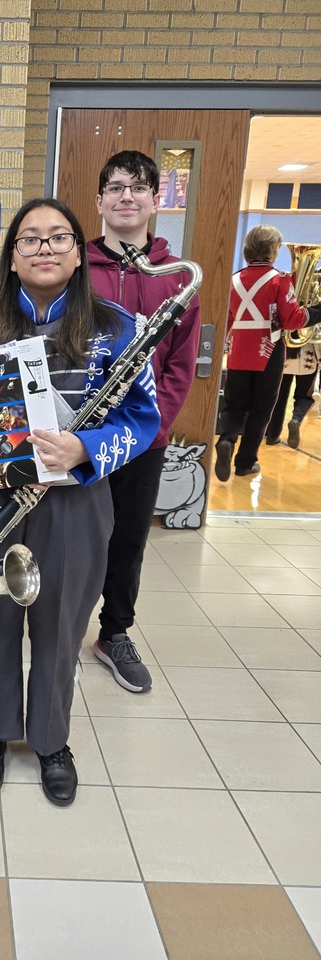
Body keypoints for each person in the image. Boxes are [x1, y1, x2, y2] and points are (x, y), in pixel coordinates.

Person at [0, 197, 160, 806]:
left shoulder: (119, 328)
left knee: (61, 626)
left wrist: (84, 449)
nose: (45, 248)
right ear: (11, 256)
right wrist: (2, 456)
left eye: (59, 237)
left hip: (77, 501)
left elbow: (144, 419)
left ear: (80, 252)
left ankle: (52, 739)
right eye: (29, 239)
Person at [87, 150, 200, 694]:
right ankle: (56, 624)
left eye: (137, 187)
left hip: (143, 436)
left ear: (157, 199)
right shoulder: (74, 267)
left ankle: (114, 633)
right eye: (115, 187)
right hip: (81, 435)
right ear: (100, 201)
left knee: (128, 538)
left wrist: (155, 425)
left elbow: (180, 364)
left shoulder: (178, 277)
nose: (125, 196)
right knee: (73, 534)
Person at [215, 225, 321, 481]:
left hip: (240, 350)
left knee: (234, 404)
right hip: (269, 350)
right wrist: (318, 310)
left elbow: (227, 320)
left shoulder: (234, 279)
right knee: (261, 409)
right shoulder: (280, 280)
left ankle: (227, 438)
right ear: (273, 250)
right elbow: (293, 319)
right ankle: (245, 462)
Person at [265, 343, 321, 450]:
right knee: (305, 397)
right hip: (308, 358)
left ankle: (272, 436)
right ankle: (296, 419)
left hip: (285, 356)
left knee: (279, 397)